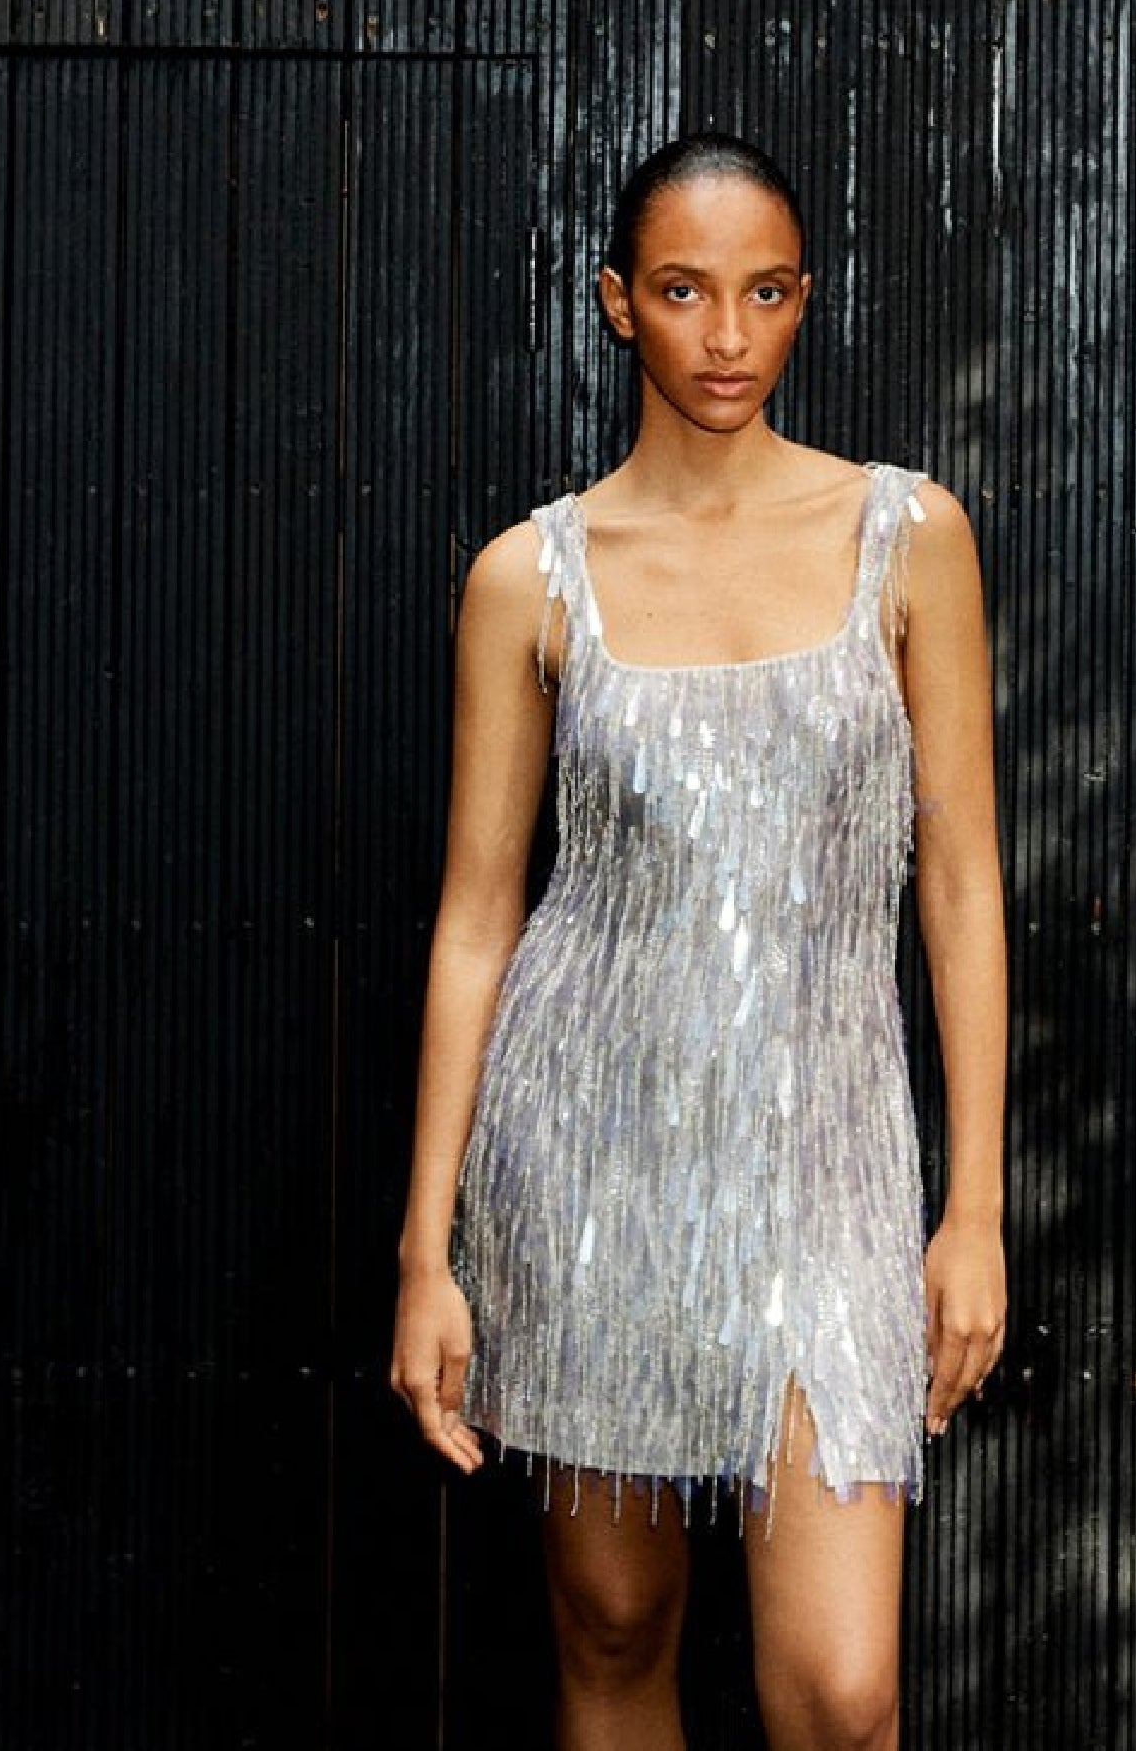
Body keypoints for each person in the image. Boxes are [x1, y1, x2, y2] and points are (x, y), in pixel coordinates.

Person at [390, 133, 1008, 1751]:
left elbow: (960, 888)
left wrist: (978, 1213)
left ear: (804, 305)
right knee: (614, 1626)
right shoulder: (530, 579)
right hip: (586, 1162)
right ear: (616, 306)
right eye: (682, 291)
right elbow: (476, 918)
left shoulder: (907, 539)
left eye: (764, 293)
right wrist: (425, 1251)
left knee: (841, 1692)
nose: (726, 336)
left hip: (829, 1167)